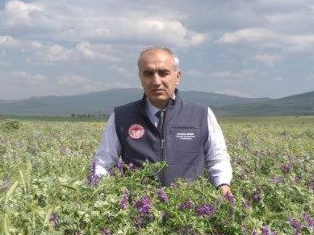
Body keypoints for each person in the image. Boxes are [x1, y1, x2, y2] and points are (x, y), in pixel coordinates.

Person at [92, 46, 232, 195]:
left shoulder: (201, 114)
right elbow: (103, 163)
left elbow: (218, 159)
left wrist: (223, 186)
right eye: (148, 74)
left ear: (177, 77)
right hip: (138, 210)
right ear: (141, 78)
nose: (156, 81)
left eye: (163, 73)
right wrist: (101, 193)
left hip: (188, 210)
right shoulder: (121, 116)